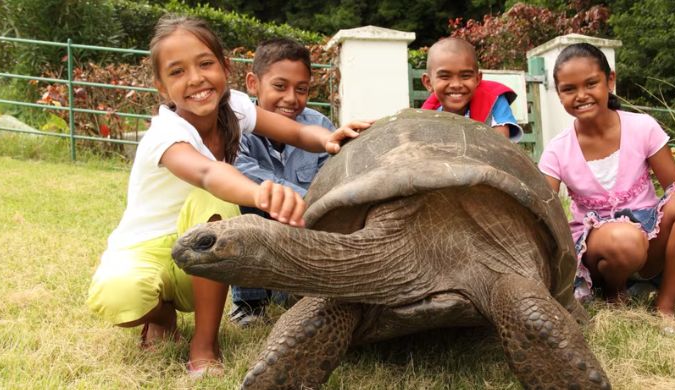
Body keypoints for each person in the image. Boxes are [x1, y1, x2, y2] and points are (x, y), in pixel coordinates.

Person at [86, 15, 370, 378]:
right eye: (177, 72)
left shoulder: (234, 106)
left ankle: (204, 344)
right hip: (147, 248)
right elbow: (208, 172)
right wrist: (259, 192)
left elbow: (296, 132)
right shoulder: (166, 134)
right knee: (120, 295)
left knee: (214, 207)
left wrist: (328, 138)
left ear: (225, 67)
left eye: (205, 64)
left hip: (201, 256)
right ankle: (161, 312)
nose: (196, 79)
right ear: (161, 87)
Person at [537, 42, 675, 317]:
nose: (581, 95)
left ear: (610, 81)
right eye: (569, 89)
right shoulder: (557, 150)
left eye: (591, 83)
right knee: (625, 239)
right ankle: (613, 291)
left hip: (650, 235)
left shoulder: (642, 126)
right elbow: (544, 209)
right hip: (600, 250)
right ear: (559, 94)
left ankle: (665, 307)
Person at [228, 38, 335, 327]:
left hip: (306, 226)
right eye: (280, 86)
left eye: (301, 89)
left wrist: (313, 204)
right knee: (245, 210)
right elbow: (243, 174)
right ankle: (249, 303)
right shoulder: (236, 128)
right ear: (253, 83)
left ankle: (305, 292)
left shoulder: (320, 126)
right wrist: (299, 198)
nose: (291, 98)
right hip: (263, 213)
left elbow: (332, 180)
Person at [420, 37, 523, 142]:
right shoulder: (427, 115)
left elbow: (499, 146)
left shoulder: (493, 101)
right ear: (428, 82)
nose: (456, 85)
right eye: (445, 77)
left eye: (465, 76)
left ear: (477, 79)